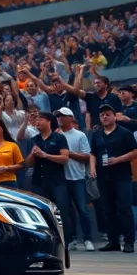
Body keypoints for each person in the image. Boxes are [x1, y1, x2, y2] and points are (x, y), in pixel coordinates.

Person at [89, 104, 137, 252]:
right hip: (103, 176)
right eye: (102, 115)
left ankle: (129, 241)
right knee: (108, 209)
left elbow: (135, 152)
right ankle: (113, 241)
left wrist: (118, 159)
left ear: (115, 116)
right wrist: (92, 167)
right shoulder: (97, 134)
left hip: (121, 175)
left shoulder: (124, 133)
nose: (104, 117)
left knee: (124, 208)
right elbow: (92, 153)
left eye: (108, 114)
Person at [54, 108, 95, 251]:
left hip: (77, 177)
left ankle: (88, 239)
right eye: (58, 116)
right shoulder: (55, 135)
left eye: (62, 116)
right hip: (61, 179)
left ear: (71, 118)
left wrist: (68, 154)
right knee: (66, 211)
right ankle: (70, 239)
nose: (59, 118)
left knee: (82, 209)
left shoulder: (79, 135)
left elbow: (86, 156)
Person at [26, 111, 71, 233]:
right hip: (38, 181)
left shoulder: (59, 138)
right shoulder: (33, 140)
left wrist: (45, 155)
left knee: (60, 211)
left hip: (57, 181)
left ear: (49, 121)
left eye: (41, 119)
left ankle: (65, 239)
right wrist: (33, 154)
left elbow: (65, 158)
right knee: (41, 212)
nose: (37, 121)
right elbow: (28, 164)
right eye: (36, 119)